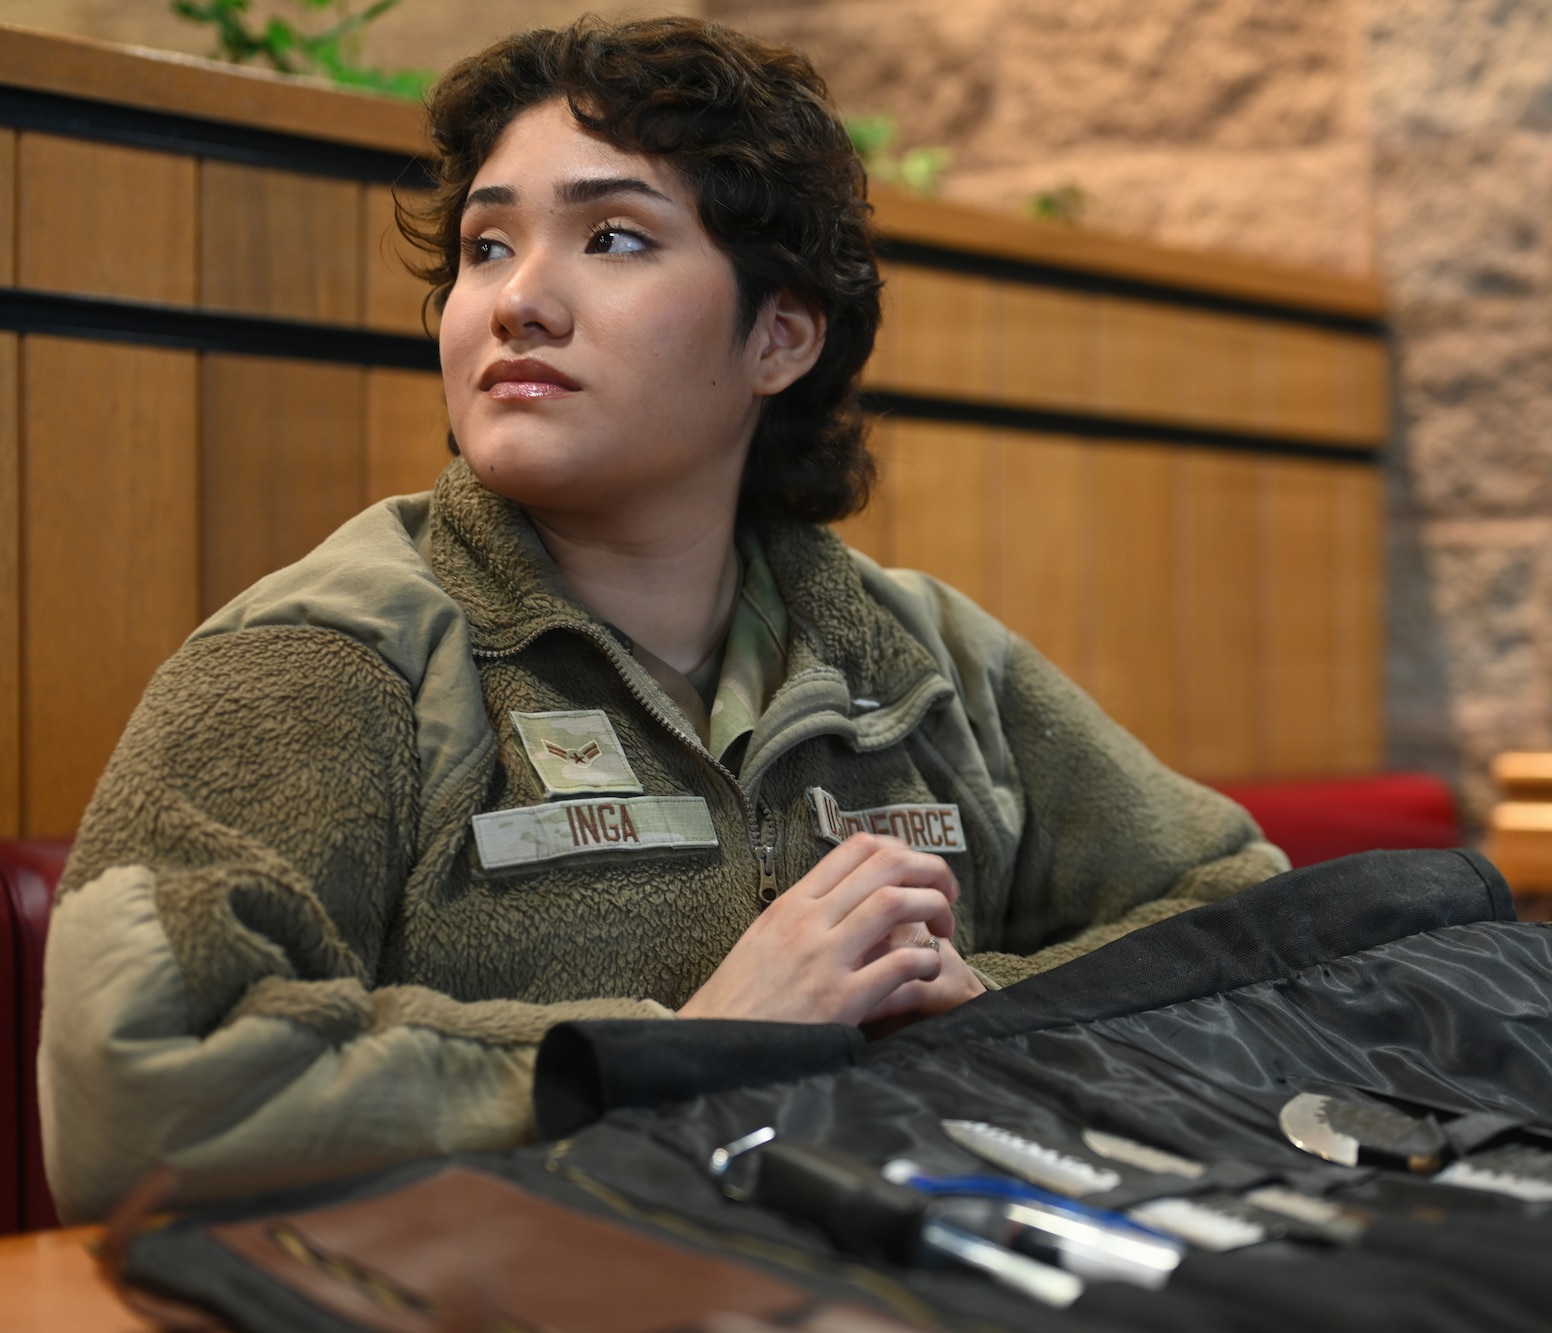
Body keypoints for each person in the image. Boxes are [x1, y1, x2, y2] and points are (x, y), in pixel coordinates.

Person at [37, 15, 1286, 1223]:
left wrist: (972, 1005)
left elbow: (1258, 925)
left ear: (780, 336)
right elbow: (137, 1093)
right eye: (484, 248)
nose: (517, 301)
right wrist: (687, 1047)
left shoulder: (922, 659)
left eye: (615, 240)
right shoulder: (324, 656)